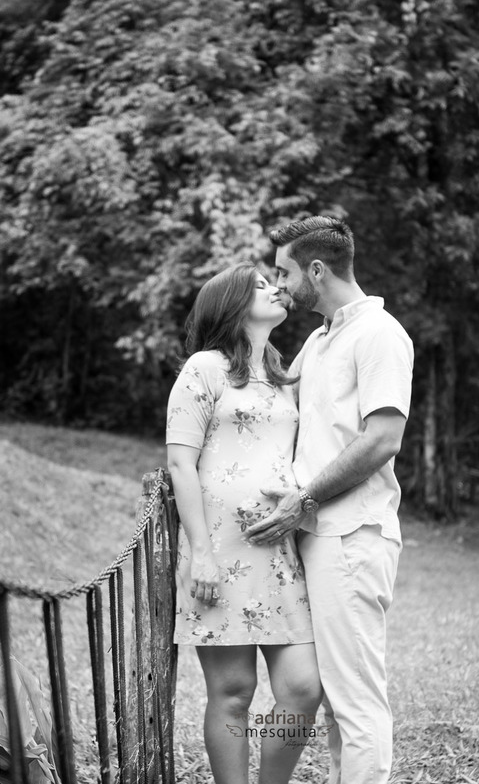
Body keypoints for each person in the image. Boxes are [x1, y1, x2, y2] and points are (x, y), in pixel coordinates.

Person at [244, 216, 414, 784]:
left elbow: (383, 438)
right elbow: (277, 415)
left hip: (350, 538)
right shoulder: (318, 342)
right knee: (323, 695)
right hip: (313, 540)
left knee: (356, 701)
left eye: (285, 272)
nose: (281, 285)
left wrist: (304, 498)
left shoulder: (379, 334)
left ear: (317, 270)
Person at [165, 262, 323, 784]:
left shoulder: (283, 374)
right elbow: (180, 464)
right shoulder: (203, 369)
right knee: (233, 693)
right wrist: (202, 553)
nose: (277, 288)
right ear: (232, 305)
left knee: (302, 688)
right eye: (260, 286)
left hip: (281, 554)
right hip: (220, 556)